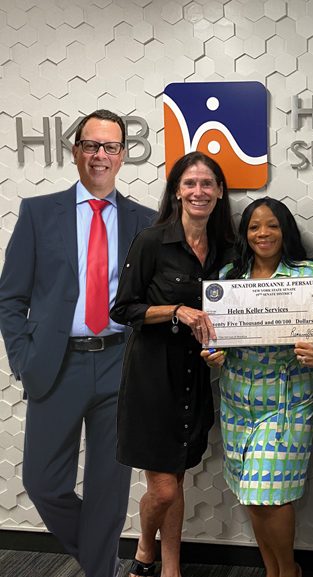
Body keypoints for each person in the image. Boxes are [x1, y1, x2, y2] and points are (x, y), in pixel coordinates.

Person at [0, 109, 155, 577]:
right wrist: (24, 359)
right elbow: (11, 297)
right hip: (56, 363)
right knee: (44, 483)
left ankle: (98, 573)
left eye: (110, 147)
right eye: (91, 145)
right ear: (75, 152)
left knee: (109, 489)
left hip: (120, 364)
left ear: (124, 155)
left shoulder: (145, 222)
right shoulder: (37, 212)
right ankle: (100, 562)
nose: (100, 155)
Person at [110, 151, 235, 577]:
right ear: (177, 192)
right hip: (152, 378)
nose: (199, 191)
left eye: (207, 184)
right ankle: (145, 548)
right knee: (163, 489)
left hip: (194, 376)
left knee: (176, 478)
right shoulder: (151, 241)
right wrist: (176, 310)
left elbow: (233, 314)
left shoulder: (226, 250)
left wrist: (223, 347)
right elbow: (123, 309)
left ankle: (170, 567)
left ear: (220, 192)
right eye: (190, 184)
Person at [202, 197, 313, 577]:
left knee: (266, 491)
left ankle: (288, 571)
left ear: (285, 230)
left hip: (288, 400)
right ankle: (274, 571)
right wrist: (212, 354)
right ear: (245, 233)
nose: (263, 233)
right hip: (237, 401)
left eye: (272, 225)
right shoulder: (228, 278)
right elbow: (212, 338)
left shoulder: (307, 275)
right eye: (255, 226)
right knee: (252, 495)